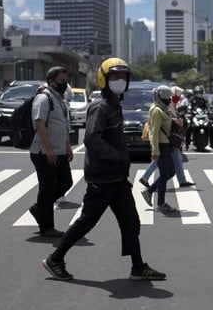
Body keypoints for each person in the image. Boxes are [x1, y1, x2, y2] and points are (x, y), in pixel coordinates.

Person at [41, 58, 165, 281]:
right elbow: (91, 139)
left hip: (116, 177)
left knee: (131, 221)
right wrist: (116, 156)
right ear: (104, 79)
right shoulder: (101, 106)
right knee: (86, 221)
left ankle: (138, 267)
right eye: (114, 77)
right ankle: (55, 259)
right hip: (103, 177)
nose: (119, 81)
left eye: (123, 77)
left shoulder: (114, 104)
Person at [27, 66, 74, 237]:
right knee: (47, 188)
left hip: (59, 150)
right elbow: (39, 123)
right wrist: (49, 149)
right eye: (61, 81)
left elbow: (63, 124)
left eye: (65, 81)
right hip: (44, 152)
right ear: (51, 81)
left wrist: (67, 146)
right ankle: (46, 227)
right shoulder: (43, 98)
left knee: (66, 182)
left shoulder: (59, 99)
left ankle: (40, 209)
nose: (64, 84)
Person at [139, 86, 194, 189]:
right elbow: (156, 130)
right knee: (163, 167)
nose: (171, 99)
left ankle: (181, 180)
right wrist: (155, 150)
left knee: (175, 159)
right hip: (164, 140)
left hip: (167, 138)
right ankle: (150, 187)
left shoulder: (164, 105)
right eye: (175, 95)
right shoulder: (157, 109)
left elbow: (168, 116)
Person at [139, 85, 179, 214]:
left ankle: (149, 191)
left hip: (166, 145)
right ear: (158, 97)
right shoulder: (156, 110)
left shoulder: (162, 108)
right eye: (165, 98)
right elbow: (154, 132)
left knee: (170, 172)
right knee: (164, 174)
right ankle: (161, 203)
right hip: (161, 145)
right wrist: (155, 151)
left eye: (169, 98)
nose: (168, 100)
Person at [185, 86, 213, 151]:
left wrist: (209, 111)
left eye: (199, 93)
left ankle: (212, 144)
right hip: (195, 116)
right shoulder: (192, 100)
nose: (198, 94)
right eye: (197, 93)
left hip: (203, 116)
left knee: (210, 127)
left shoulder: (204, 100)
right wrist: (189, 110)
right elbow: (189, 106)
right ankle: (186, 145)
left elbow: (208, 106)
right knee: (189, 128)